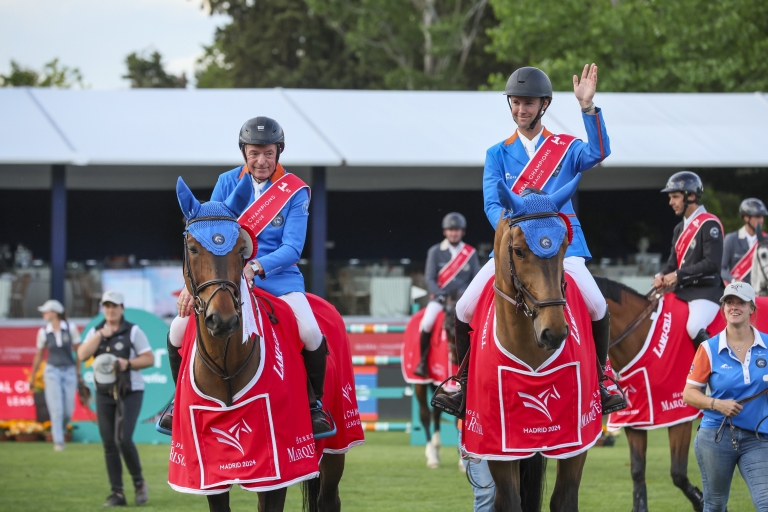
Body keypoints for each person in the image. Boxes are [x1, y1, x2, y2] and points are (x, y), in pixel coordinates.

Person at [433, 64, 625, 417]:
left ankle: (603, 377)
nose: (521, 110)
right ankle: (461, 381)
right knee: (463, 309)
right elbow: (492, 204)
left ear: (544, 105)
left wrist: (587, 107)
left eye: (528, 103)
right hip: (516, 249)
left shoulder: (565, 148)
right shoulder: (497, 153)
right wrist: (513, 236)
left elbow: (599, 153)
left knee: (597, 305)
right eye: (516, 102)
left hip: (561, 249)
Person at [171, 116, 333, 437]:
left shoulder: (295, 191)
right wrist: (192, 286)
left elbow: (292, 248)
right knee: (176, 330)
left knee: (310, 332)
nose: (261, 161)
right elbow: (207, 234)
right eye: (254, 153)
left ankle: (314, 405)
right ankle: (177, 401)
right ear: (244, 151)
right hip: (227, 280)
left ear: (278, 152)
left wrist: (256, 266)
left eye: (268, 153)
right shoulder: (226, 182)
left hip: (278, 279)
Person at [684, 282, 768, 511]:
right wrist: (716, 404)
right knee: (715, 505)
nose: (734, 307)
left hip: (758, 437)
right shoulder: (708, 348)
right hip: (716, 436)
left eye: (741, 302)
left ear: (752, 308)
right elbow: (689, 394)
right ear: (723, 309)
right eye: (729, 302)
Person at [78, 291, 154, 507]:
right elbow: (82, 355)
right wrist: (100, 335)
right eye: (107, 306)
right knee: (109, 443)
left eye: (114, 306)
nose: (110, 310)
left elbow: (149, 359)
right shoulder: (96, 331)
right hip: (104, 393)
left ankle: (139, 483)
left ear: (122, 308)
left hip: (130, 391)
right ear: (103, 308)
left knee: (123, 439)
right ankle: (117, 494)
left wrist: (127, 363)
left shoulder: (133, 331)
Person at [654, 171, 725, 348]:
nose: (671, 202)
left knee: (694, 327)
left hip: (706, 291)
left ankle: (714, 363)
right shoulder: (679, 229)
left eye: (675, 197)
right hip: (684, 291)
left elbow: (712, 264)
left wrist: (678, 275)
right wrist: (661, 275)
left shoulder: (709, 224)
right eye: (670, 198)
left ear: (691, 196)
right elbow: (672, 264)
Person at [415, 212, 481, 377]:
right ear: (445, 231)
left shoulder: (470, 253)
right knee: (427, 323)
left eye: (457, 230)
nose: (454, 233)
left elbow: (476, 278)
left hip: (463, 300)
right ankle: (422, 362)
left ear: (462, 232)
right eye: (451, 230)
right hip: (441, 299)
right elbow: (430, 278)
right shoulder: (435, 251)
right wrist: (440, 294)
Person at [29, 299, 81, 452]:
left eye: (46, 311)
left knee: (68, 410)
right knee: (56, 408)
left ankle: (61, 431)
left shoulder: (70, 328)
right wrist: (32, 376)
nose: (43, 314)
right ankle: (58, 441)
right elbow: (39, 355)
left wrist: (78, 371)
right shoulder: (43, 332)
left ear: (55, 312)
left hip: (69, 370)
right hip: (52, 371)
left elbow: (79, 351)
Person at [721, 198, 767, 285]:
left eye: (762, 217)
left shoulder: (766, 240)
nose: (761, 220)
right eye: (757, 216)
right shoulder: (731, 239)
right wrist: (733, 280)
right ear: (746, 218)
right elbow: (721, 268)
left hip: (762, 291)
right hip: (738, 290)